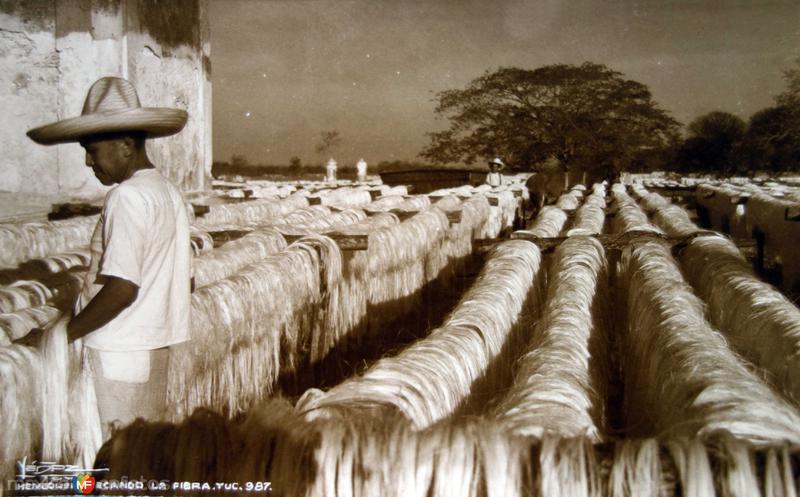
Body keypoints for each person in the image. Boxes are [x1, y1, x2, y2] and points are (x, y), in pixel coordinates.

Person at [26, 76, 192, 437]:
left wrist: (59, 337)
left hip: (117, 351)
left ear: (125, 145)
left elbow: (122, 289)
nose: (88, 161)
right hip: (150, 350)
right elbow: (183, 280)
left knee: (111, 459)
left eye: (93, 149)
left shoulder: (127, 197)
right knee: (141, 459)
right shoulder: (167, 191)